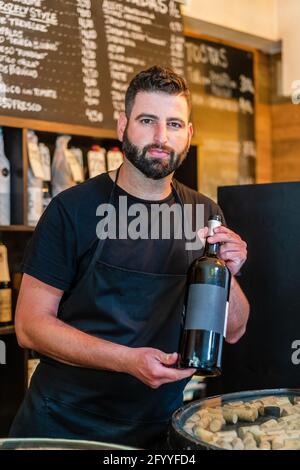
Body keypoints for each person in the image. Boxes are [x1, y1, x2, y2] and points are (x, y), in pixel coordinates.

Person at [10, 66, 249, 449]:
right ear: (123, 126)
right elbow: (29, 325)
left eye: (173, 123)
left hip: (157, 428)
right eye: (147, 120)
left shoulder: (204, 214)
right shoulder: (73, 209)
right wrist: (127, 360)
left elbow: (233, 331)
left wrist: (228, 274)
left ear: (188, 134)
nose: (160, 137)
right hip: (63, 425)